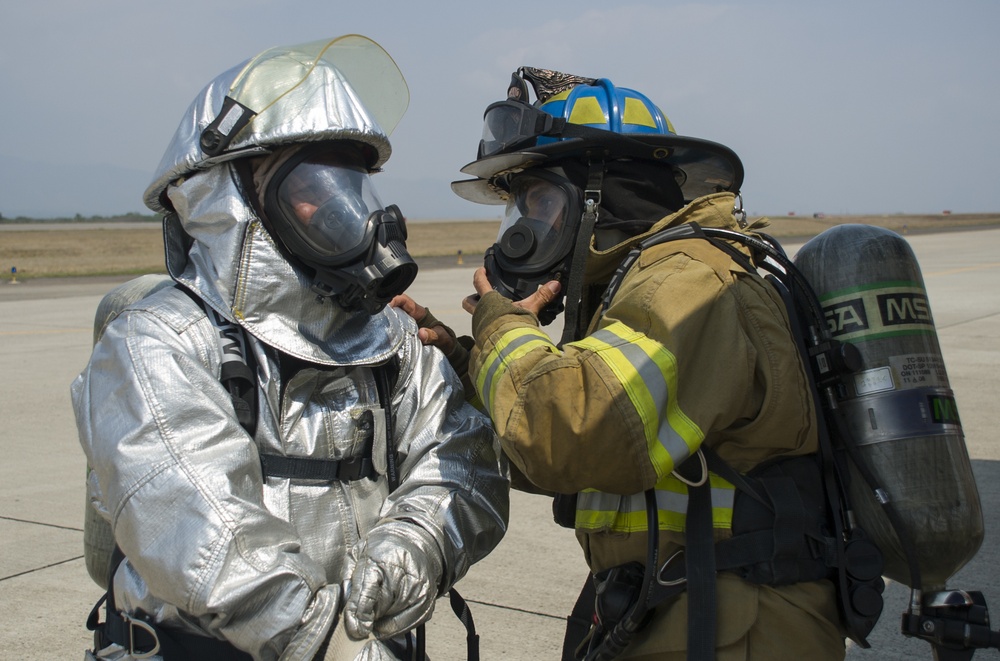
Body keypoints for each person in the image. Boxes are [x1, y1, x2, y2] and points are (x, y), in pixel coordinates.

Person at [71, 36, 509, 661]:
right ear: (233, 200)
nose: (346, 210)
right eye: (316, 186)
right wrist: (325, 639)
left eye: (351, 185)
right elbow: (203, 534)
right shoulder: (155, 343)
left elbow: (463, 461)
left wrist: (412, 551)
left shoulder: (391, 342)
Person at [403, 67, 848, 660]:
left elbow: (567, 437)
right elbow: (558, 454)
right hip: (675, 606)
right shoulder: (642, 287)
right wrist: (461, 359)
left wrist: (501, 324)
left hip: (733, 626)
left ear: (599, 196)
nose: (522, 235)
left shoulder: (691, 282)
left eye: (538, 206)